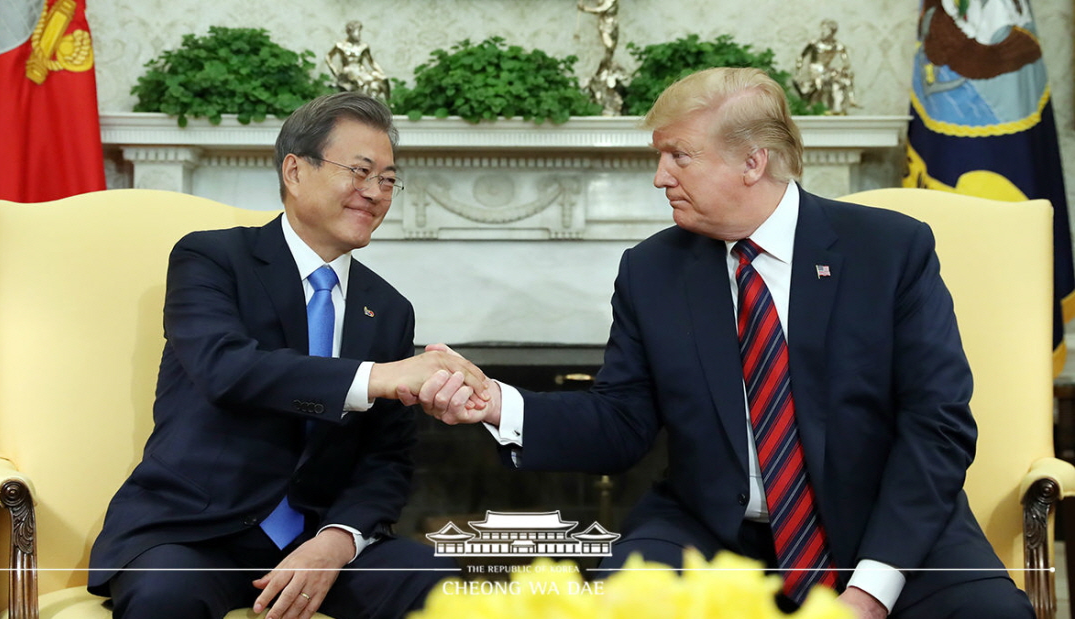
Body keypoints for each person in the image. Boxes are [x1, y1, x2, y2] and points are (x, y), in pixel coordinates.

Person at [406, 68, 1034, 619]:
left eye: (679, 156)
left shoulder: (890, 251)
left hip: (883, 525)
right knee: (620, 602)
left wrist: (869, 591)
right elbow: (621, 421)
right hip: (711, 528)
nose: (659, 178)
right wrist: (496, 403)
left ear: (752, 162)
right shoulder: (652, 270)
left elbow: (937, 426)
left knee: (988, 610)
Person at [87, 92, 488, 619]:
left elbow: (386, 459)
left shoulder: (388, 309)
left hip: (318, 540)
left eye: (387, 179)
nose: (375, 193)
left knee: (441, 588)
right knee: (166, 597)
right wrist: (377, 377)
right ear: (295, 171)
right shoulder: (211, 258)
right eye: (360, 172)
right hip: (195, 533)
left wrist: (338, 541)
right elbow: (227, 369)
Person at [327, 21, 391, 101]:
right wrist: (334, 70)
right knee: (363, 83)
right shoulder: (340, 45)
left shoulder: (364, 46)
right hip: (348, 72)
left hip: (361, 71)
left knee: (383, 79)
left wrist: (381, 72)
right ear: (349, 32)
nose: (359, 34)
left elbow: (372, 62)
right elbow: (328, 56)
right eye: (357, 31)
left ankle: (389, 103)